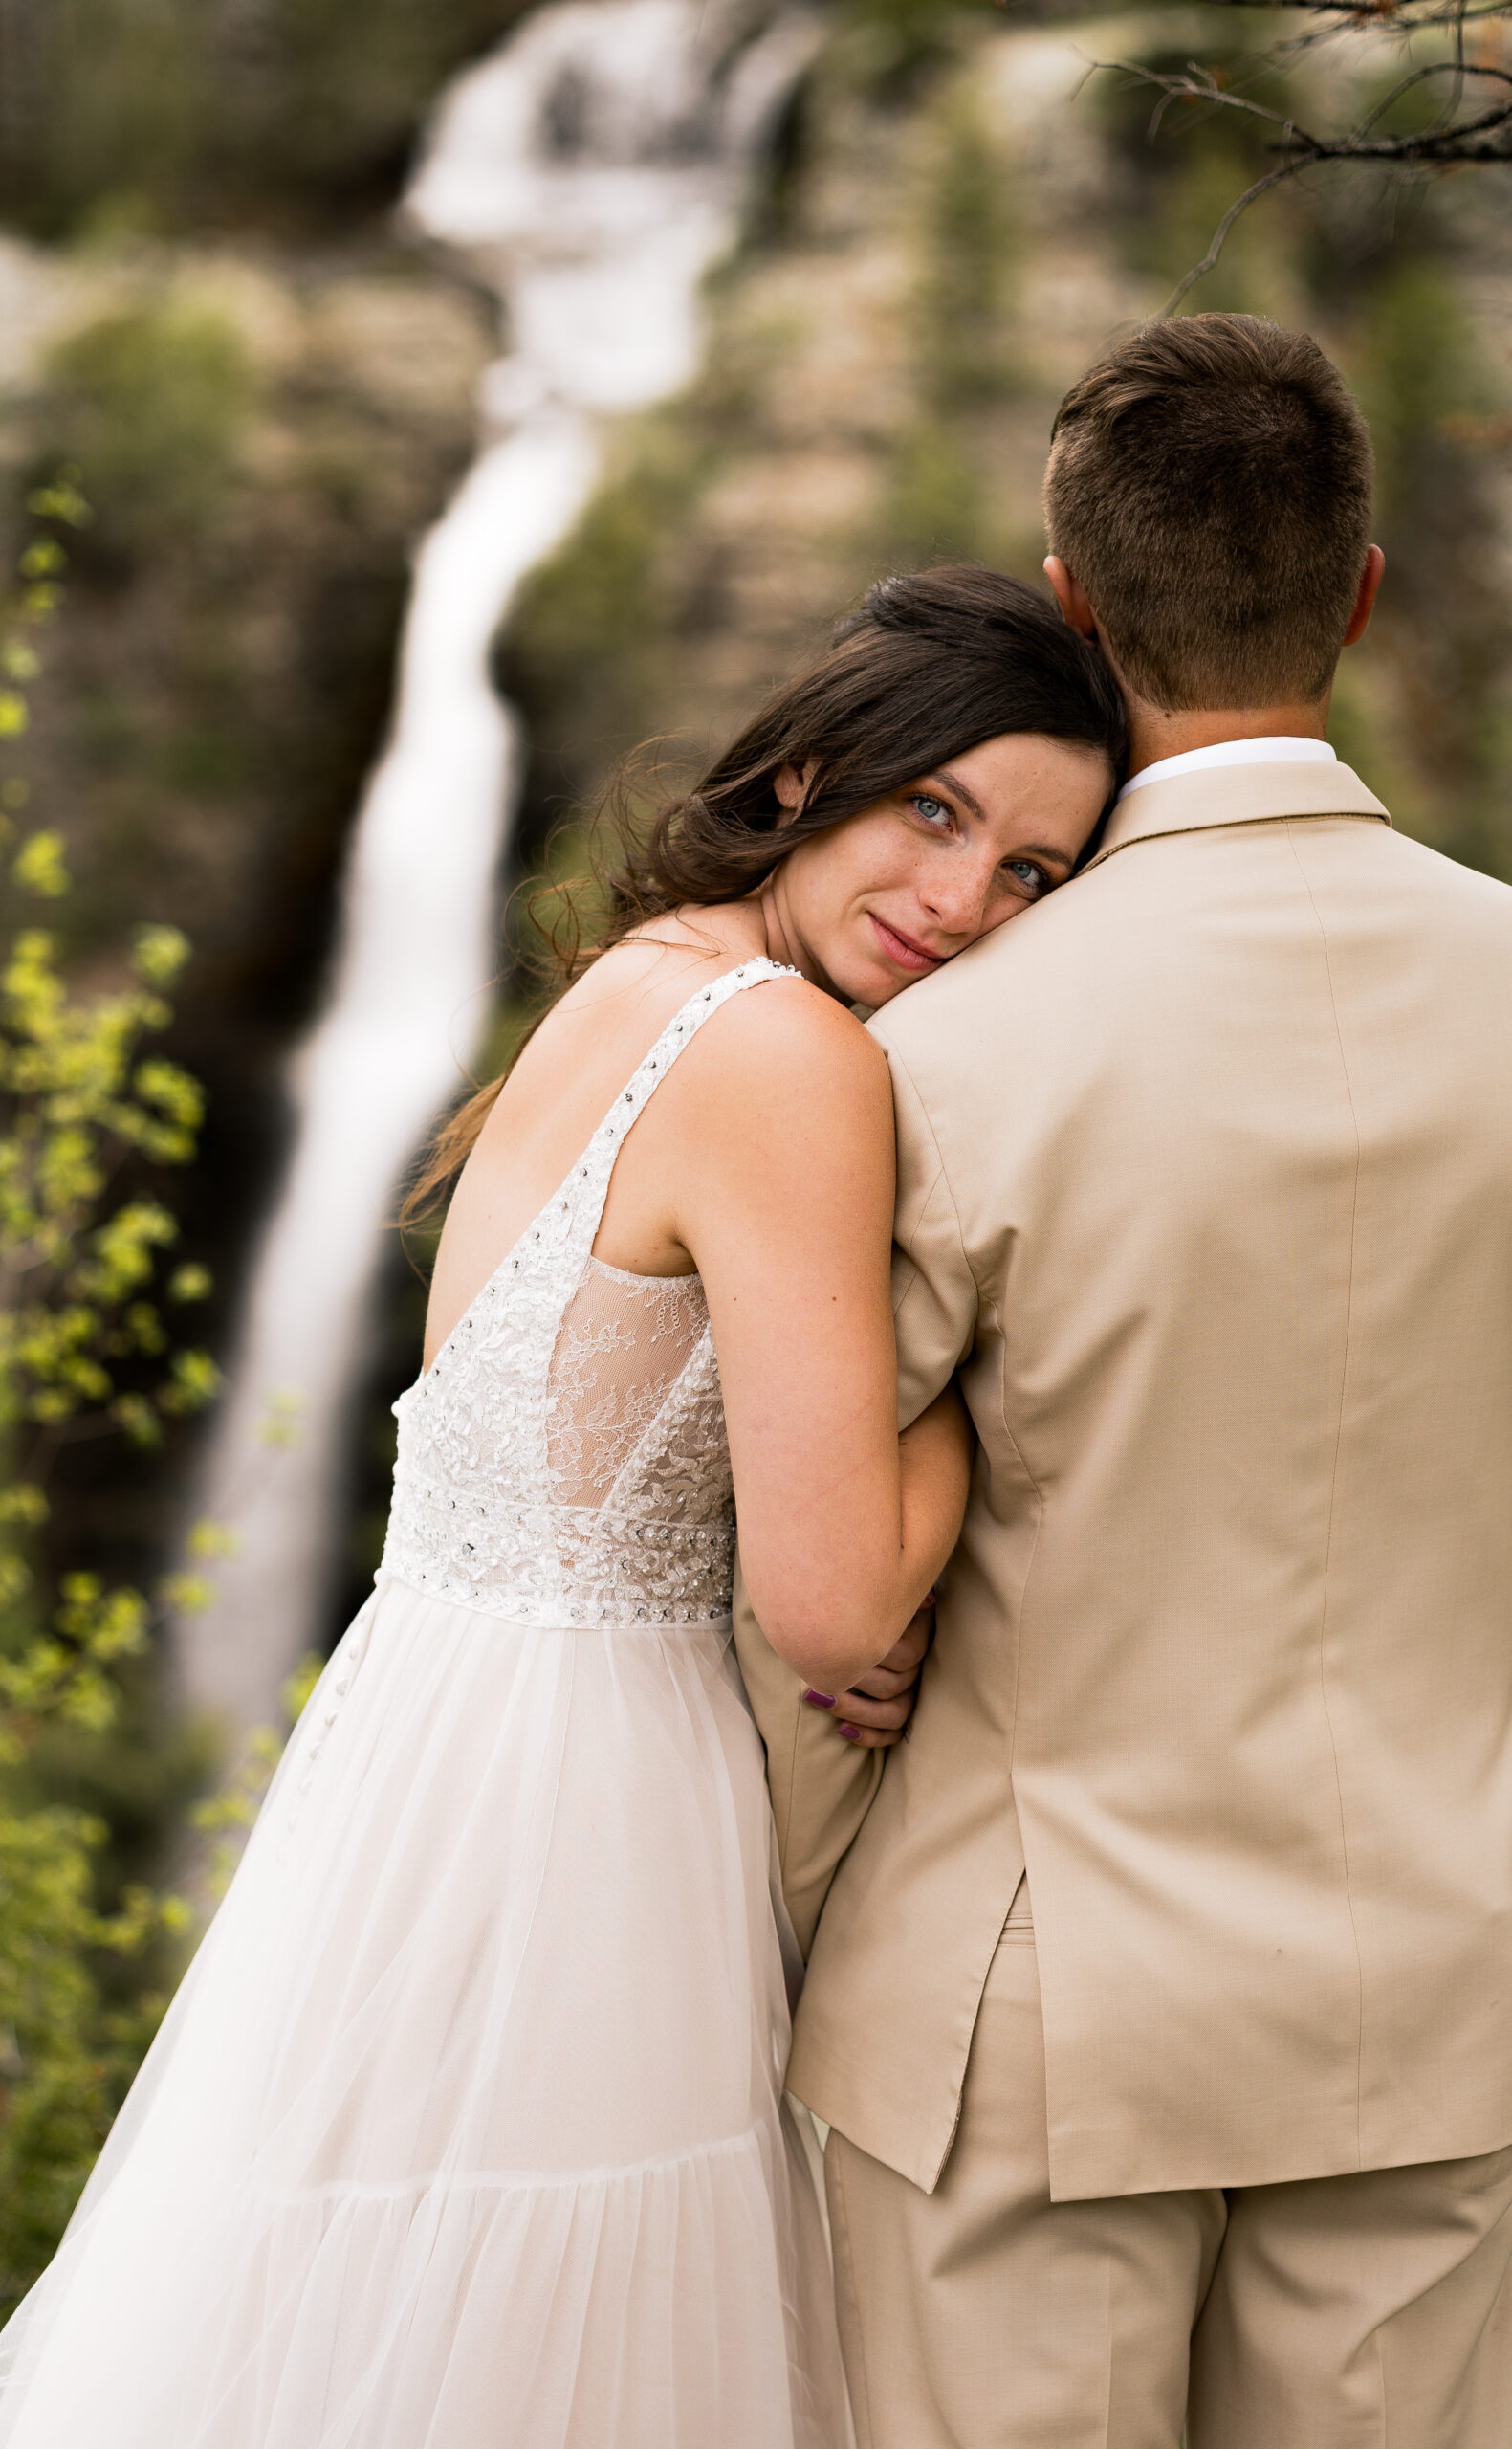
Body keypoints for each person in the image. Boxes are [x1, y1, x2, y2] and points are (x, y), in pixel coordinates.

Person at [0, 566, 1123, 2449]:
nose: (959, 897)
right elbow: (834, 1600)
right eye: (937, 809)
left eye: (1028, 871)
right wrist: (996, 1393)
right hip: (577, 1793)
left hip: (418, 1731)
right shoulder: (786, 1054)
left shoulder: (648, 971)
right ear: (815, 766)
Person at [736, 313, 1512, 2447]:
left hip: (1017, 2023)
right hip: (1447, 1992)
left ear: (1073, 606)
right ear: (1357, 595)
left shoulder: (947, 1045)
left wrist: (773, 1939)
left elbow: (800, 1605)